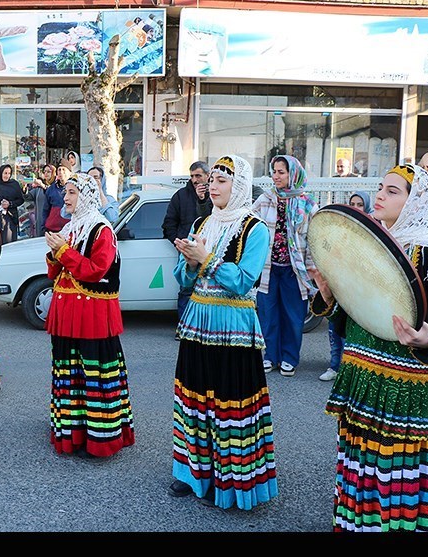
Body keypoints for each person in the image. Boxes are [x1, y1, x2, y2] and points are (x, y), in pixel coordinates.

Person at [311, 164, 428, 531]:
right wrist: (329, 297)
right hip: (365, 384)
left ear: (415, 202)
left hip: (411, 396)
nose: (379, 195)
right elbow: (354, 312)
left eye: (393, 191)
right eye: (381, 187)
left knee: (403, 476)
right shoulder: (364, 248)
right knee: (365, 468)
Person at [168, 155, 277, 510]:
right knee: (195, 399)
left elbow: (244, 281)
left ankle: (232, 480)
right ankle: (192, 472)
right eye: (211, 180)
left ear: (240, 186)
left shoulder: (255, 229)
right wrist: (189, 261)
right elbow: (184, 280)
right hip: (199, 320)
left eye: (221, 181)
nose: (212, 186)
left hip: (233, 324)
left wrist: (208, 258)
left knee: (230, 401)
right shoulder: (202, 222)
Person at [44, 172, 134, 458]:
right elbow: (56, 272)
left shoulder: (101, 230)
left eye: (72, 193)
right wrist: (54, 254)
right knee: (70, 372)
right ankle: (73, 431)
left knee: (94, 372)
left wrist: (64, 251)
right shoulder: (73, 227)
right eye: (66, 192)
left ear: (86, 196)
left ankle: (100, 438)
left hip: (92, 315)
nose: (66, 198)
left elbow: (98, 271)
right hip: (68, 312)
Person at [252, 155, 319, 377]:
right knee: (268, 313)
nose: (276, 176)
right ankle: (270, 355)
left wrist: (311, 271)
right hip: (268, 268)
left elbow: (313, 240)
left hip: (295, 270)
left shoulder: (308, 204)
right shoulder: (265, 199)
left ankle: (289, 357)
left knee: (293, 316)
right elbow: (252, 230)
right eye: (274, 171)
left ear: (293, 174)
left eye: (282, 172)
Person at [319, 191, 374, 382]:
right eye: (353, 204)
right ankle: (334, 366)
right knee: (334, 327)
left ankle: (348, 370)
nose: (356, 208)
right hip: (339, 286)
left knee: (351, 332)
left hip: (359, 290)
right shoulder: (341, 227)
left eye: (360, 205)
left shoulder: (372, 230)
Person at [162, 161, 214, 325]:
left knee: (210, 287)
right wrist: (180, 242)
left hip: (210, 248)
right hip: (188, 249)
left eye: (198, 175)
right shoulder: (181, 196)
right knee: (186, 288)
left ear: (207, 175)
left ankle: (206, 327)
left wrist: (204, 199)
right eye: (192, 176)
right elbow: (168, 224)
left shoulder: (216, 193)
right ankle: (184, 327)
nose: (195, 180)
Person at [0, 164, 24, 245]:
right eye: (5, 173)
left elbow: (21, 200)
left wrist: (10, 204)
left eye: (9, 173)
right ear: (1, 173)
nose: (7, 175)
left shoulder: (14, 184)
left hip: (11, 217)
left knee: (10, 241)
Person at [42, 158, 72, 233]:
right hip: (52, 230)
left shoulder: (76, 189)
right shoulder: (51, 189)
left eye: (63, 170)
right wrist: (43, 226)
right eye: (59, 170)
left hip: (70, 230)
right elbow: (45, 210)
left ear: (70, 172)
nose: (61, 172)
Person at [25, 164, 54, 237]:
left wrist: (43, 186)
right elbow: (27, 197)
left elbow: (51, 193)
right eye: (44, 172)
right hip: (40, 222)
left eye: (48, 171)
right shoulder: (39, 188)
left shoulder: (56, 187)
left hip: (53, 225)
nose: (46, 174)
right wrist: (24, 188)